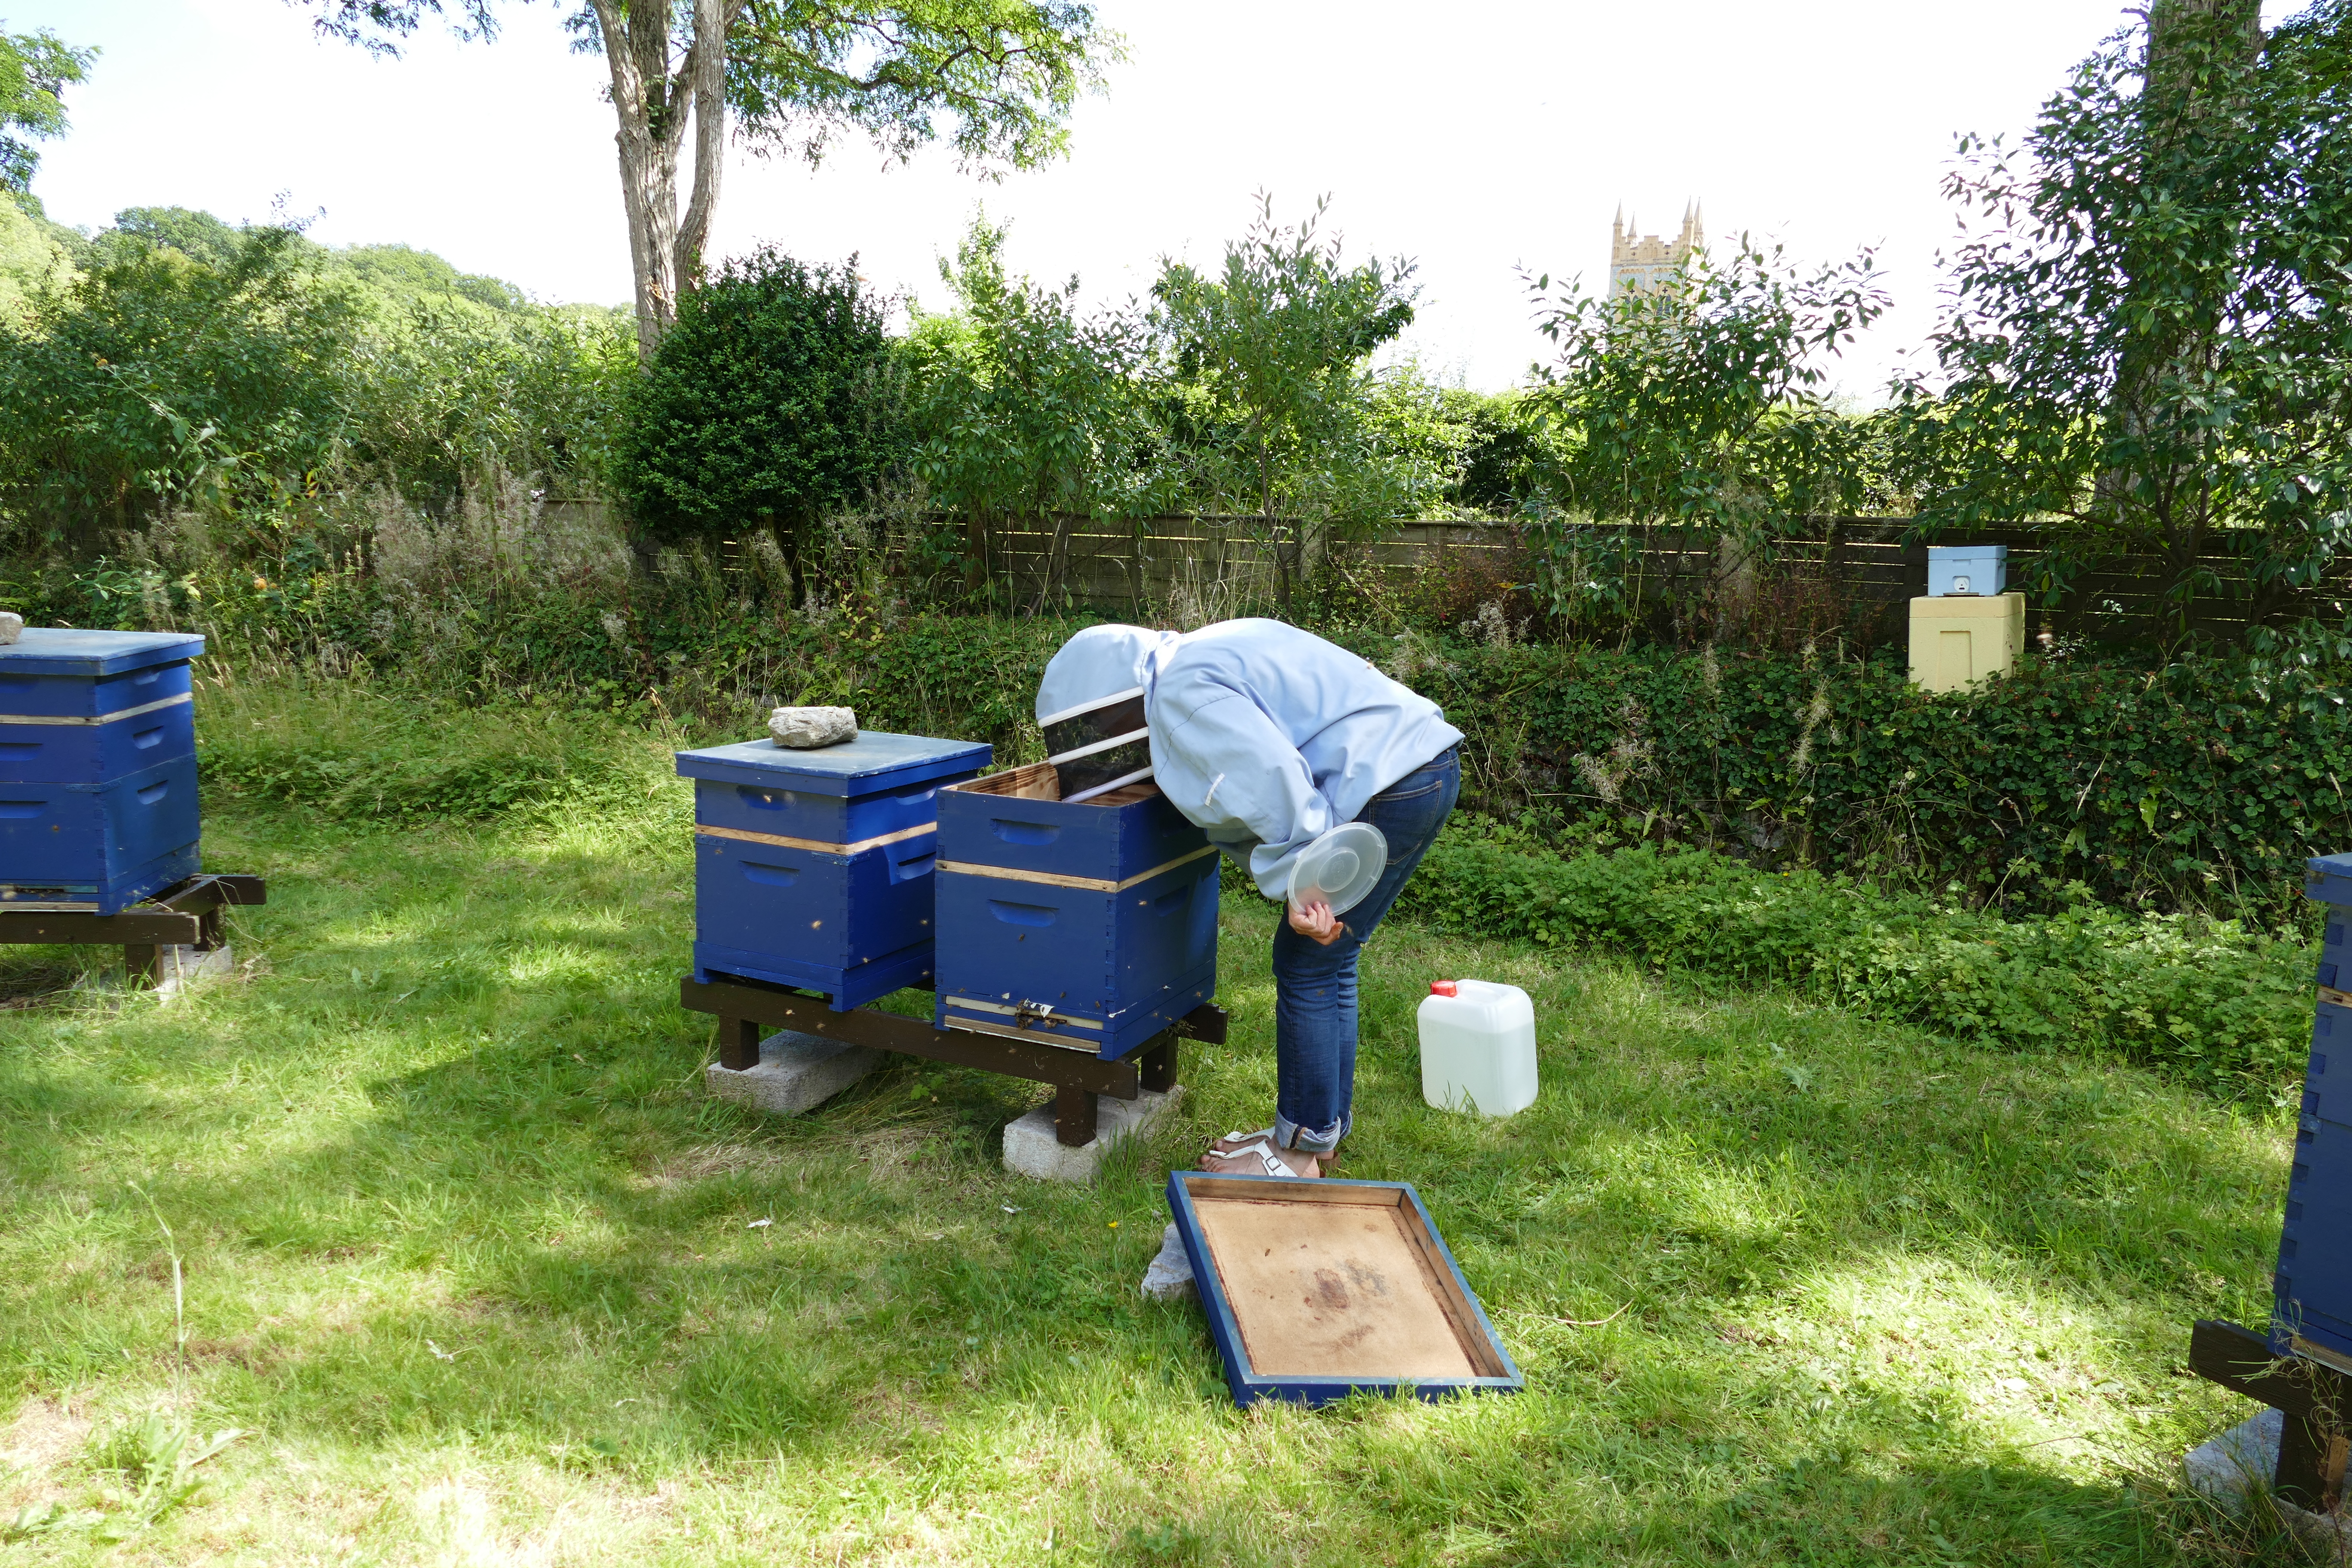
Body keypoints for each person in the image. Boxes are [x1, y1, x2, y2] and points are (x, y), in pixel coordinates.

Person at [1034, 619, 1462, 1177]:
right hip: (1420, 766)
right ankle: (1320, 1133)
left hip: (1390, 781)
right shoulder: (1201, 654)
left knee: (1306, 962)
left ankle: (1297, 1154)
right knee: (1331, 961)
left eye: (1096, 720)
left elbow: (1273, 781)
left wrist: (1305, 882)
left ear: (1114, 697)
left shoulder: (1183, 691)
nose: (1103, 731)